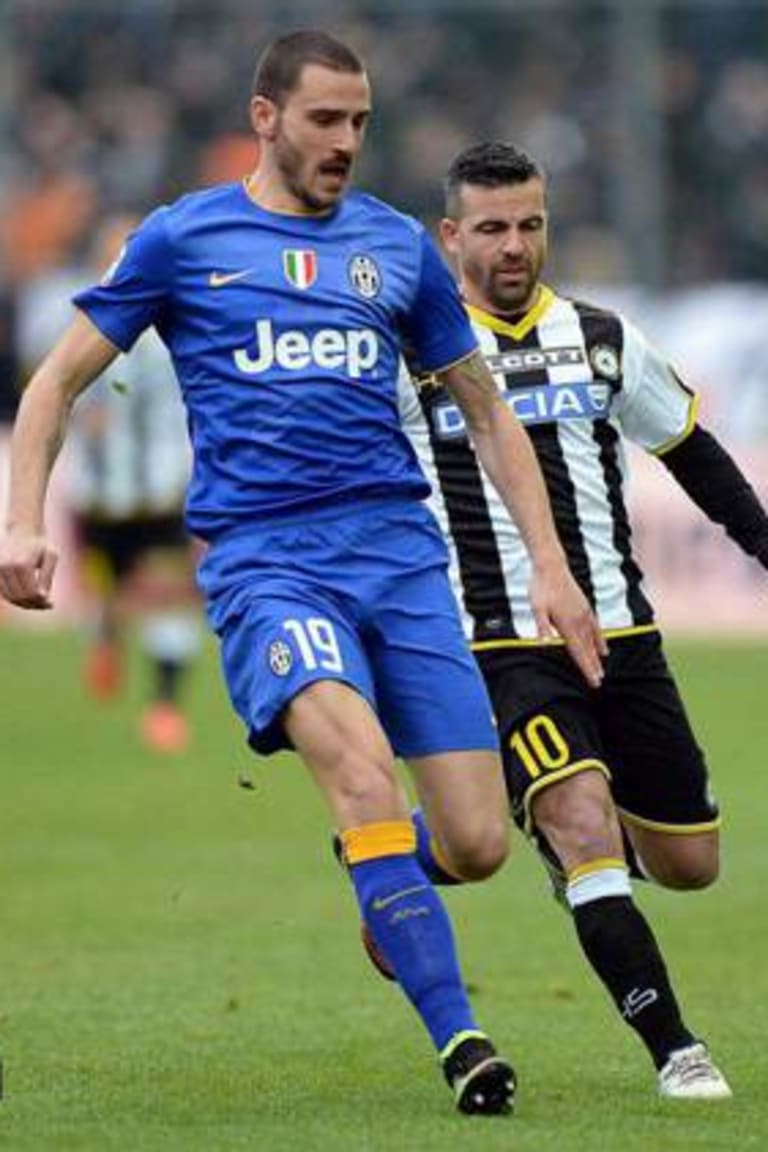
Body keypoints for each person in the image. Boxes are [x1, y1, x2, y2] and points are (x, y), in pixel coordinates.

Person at [0, 34, 605, 1115]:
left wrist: (552, 571)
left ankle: (379, 868)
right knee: (364, 776)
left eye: (360, 122)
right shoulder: (182, 239)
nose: (346, 142)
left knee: (475, 841)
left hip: (400, 561)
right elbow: (53, 386)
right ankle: (463, 1041)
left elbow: (485, 414)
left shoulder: (395, 247)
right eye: (325, 119)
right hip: (267, 565)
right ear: (266, 117)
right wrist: (21, 523)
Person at [399, 140, 768, 1100]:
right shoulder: (414, 355)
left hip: (622, 636)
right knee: (581, 821)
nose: (514, 246)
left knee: (689, 862)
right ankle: (678, 1050)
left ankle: (419, 844)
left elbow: (688, 447)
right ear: (450, 237)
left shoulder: (601, 337)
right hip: (497, 643)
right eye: (492, 228)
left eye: (530, 224)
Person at [68, 215, 201, 752]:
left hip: (160, 493)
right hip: (99, 497)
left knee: (169, 595)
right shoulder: (80, 322)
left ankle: (165, 706)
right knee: (107, 591)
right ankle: (106, 637)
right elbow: (57, 391)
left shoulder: (178, 326)